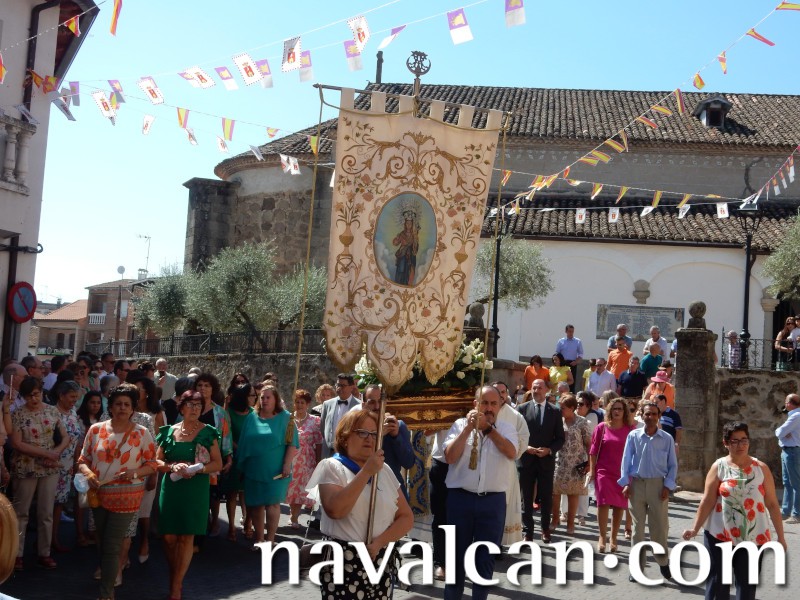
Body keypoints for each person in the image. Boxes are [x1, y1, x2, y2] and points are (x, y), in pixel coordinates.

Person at [306, 409, 413, 600]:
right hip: (343, 562)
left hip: (378, 559)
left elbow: (406, 517)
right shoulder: (331, 467)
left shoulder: (384, 470)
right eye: (362, 432)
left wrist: (379, 543)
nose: (369, 439)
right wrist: (366, 472)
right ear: (345, 437)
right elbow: (336, 510)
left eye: (373, 434)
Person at [682, 422, 786, 600]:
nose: (740, 445)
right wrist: (695, 528)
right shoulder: (719, 467)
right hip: (719, 534)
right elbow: (708, 500)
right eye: (735, 441)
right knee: (717, 584)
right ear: (726, 443)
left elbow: (772, 504)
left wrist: (781, 537)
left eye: (744, 440)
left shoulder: (761, 468)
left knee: (747, 586)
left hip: (754, 536)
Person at [77, 384, 157, 600]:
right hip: (99, 494)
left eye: (127, 404)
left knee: (112, 545)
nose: (122, 408)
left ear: (133, 409)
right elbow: (83, 459)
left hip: (127, 497)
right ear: (110, 407)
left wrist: (134, 472)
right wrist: (88, 473)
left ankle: (106, 593)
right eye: (118, 404)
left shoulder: (142, 433)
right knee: (102, 543)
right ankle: (108, 583)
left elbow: (152, 464)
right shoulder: (96, 430)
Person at [444, 385, 517, 600]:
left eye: (493, 403)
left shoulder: (506, 428)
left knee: (484, 560)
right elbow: (449, 457)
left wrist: (488, 430)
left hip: (492, 502)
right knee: (456, 557)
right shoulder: (459, 425)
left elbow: (511, 452)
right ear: (475, 404)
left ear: (500, 405)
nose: (489, 408)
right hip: (460, 500)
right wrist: (468, 429)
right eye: (484, 403)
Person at [156, 390, 223, 600]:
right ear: (181, 406)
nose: (195, 409)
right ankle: (175, 573)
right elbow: (157, 461)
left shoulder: (208, 432)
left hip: (196, 489)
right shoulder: (168, 431)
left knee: (186, 537)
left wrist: (198, 469)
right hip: (172, 488)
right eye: (190, 404)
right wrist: (172, 466)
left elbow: (218, 463)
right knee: (168, 537)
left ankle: (176, 585)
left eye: (198, 405)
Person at [10, 376, 70, 571]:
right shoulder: (18, 413)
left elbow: (65, 437)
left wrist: (56, 453)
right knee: (21, 512)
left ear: (42, 392)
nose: (33, 399)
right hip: (26, 466)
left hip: (49, 466)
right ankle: (16, 553)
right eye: (28, 396)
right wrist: (47, 454)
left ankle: (44, 552)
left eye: (36, 394)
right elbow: (17, 443)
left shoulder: (52, 411)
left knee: (46, 512)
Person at [619, 402, 678, 581]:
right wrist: (625, 483)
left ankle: (663, 562)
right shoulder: (633, 436)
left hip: (658, 487)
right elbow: (626, 460)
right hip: (636, 485)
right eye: (647, 414)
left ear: (658, 416)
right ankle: (637, 568)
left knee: (659, 528)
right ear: (642, 415)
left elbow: (672, 465)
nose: (650, 417)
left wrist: (667, 486)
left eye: (654, 414)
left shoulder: (667, 438)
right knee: (637, 530)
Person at [237, 384, 298, 547]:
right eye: (262, 397)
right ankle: (259, 539)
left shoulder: (287, 418)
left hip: (276, 470)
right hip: (254, 469)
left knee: (273, 504)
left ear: (276, 399)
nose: (264, 400)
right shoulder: (252, 417)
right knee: (257, 504)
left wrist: (287, 464)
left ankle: (270, 540)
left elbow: (292, 444)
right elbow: (243, 442)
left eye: (268, 397)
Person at [518, 379, 565, 544]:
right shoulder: (522, 409)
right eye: (534, 387)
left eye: (539, 387)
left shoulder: (555, 411)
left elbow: (560, 438)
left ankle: (545, 529)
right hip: (526, 460)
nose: (536, 390)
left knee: (546, 497)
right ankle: (528, 531)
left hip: (546, 461)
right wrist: (525, 447)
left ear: (546, 390)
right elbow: (516, 434)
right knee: (526, 497)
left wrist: (549, 450)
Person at [588, 395, 635, 553]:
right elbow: (593, 451)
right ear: (609, 410)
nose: (617, 411)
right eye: (614, 409)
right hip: (603, 471)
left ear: (624, 411)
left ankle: (613, 538)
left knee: (619, 505)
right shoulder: (601, 427)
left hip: (623, 473)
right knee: (602, 503)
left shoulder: (630, 429)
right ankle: (602, 537)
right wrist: (592, 470)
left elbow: (634, 453)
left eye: (620, 409)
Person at [353, 384, 414, 498]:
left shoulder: (397, 426)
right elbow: (355, 457)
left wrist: (396, 437)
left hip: (393, 490)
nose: (377, 406)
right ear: (364, 405)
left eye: (380, 401)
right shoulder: (356, 428)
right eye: (372, 402)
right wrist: (379, 437)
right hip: (365, 489)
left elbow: (408, 462)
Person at [194, 373, 233, 538]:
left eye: (207, 385)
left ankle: (215, 521)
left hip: (213, 459)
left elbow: (226, 435)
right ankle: (198, 524)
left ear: (213, 389)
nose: (203, 388)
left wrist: (228, 458)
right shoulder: (190, 407)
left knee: (213, 494)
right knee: (196, 493)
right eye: (200, 385)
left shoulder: (220, 413)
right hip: (192, 457)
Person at [492, 381, 530, 546]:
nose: (500, 395)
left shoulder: (515, 416)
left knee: (504, 505)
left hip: (505, 466)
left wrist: (512, 452)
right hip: (483, 467)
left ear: (507, 394)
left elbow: (524, 437)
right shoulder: (483, 412)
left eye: (503, 392)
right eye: (497, 391)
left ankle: (498, 542)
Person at [551, 394, 591, 535]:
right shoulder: (557, 420)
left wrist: (589, 463)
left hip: (576, 463)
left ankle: (570, 523)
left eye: (563, 408)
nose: (560, 410)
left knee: (573, 494)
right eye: (559, 407)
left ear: (572, 408)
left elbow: (588, 444)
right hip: (558, 462)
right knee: (555, 492)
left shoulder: (582, 422)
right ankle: (555, 519)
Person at [52, 381, 84, 552]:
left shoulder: (72, 412)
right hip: (53, 463)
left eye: (76, 397)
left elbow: (76, 438)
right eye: (72, 397)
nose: (74, 401)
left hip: (69, 464)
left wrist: (76, 461)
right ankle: (48, 539)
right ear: (61, 395)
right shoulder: (52, 412)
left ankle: (53, 538)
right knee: (50, 503)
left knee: (60, 502)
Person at [222, 383, 255, 540]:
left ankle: (248, 523)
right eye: (251, 395)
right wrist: (240, 448)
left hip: (250, 458)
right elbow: (227, 435)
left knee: (249, 493)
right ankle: (231, 528)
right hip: (234, 456)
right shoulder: (229, 413)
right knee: (232, 493)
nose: (254, 398)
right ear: (243, 397)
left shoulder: (254, 413)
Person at [287, 388, 321, 529]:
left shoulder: (315, 420)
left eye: (302, 402)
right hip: (290, 458)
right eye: (297, 402)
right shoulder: (288, 419)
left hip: (307, 460)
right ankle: (291, 512)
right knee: (290, 488)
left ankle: (294, 517)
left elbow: (319, 442)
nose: (299, 405)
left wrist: (318, 462)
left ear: (307, 404)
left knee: (301, 490)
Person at [320, 374, 360, 458]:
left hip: (348, 453)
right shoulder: (327, 404)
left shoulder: (359, 406)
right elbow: (323, 428)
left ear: (351, 387)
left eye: (343, 385)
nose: (339, 388)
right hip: (329, 452)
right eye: (338, 385)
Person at [775, 393, 800, 523]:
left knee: (795, 483)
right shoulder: (795, 416)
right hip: (788, 450)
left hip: (792, 451)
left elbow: (779, 432)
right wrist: (784, 434)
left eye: (786, 402)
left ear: (789, 403)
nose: (785, 404)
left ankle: (796, 514)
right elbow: (783, 433)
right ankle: (786, 512)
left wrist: (783, 433)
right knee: (787, 483)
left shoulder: (796, 416)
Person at [393, 216, 419, 286]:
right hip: (402, 255)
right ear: (405, 224)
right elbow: (395, 243)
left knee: (410, 271)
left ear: (412, 224)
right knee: (401, 270)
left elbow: (416, 248)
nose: (409, 225)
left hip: (411, 256)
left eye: (410, 223)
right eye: (407, 223)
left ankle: (407, 285)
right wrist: (397, 238)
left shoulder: (414, 235)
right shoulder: (402, 234)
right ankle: (399, 284)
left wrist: (415, 239)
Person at [555, 324, 583, 392]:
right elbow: (557, 353)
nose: (571, 333)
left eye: (572, 331)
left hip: (572, 363)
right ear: (566, 331)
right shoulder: (561, 341)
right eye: (569, 331)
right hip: (562, 363)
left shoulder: (578, 341)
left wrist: (576, 362)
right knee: (562, 380)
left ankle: (571, 395)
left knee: (571, 382)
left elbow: (581, 353)